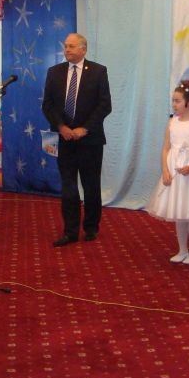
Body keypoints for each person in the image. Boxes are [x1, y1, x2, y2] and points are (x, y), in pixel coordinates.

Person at [42, 33, 112, 247]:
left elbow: (105, 105)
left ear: (83, 49)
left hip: (90, 140)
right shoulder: (54, 72)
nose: (67, 50)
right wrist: (61, 127)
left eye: (72, 46)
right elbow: (47, 105)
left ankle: (91, 228)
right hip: (63, 139)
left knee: (91, 186)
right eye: (65, 46)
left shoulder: (98, 71)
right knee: (68, 187)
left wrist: (85, 128)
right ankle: (70, 231)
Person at [146, 79, 189, 264]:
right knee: (178, 212)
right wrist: (165, 170)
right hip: (175, 171)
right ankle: (182, 249)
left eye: (177, 101)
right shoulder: (172, 122)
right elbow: (166, 148)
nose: (174, 104)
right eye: (173, 101)